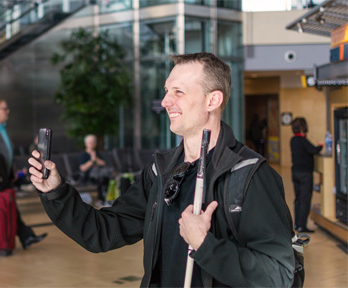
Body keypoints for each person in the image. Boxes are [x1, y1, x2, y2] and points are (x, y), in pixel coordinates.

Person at [28, 52, 294, 287]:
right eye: (167, 91)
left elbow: (278, 275)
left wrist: (205, 245)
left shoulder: (249, 175)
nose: (165, 101)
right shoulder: (161, 171)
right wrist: (56, 193)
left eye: (178, 92)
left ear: (212, 100)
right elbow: (103, 232)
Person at [0, 98, 47, 249]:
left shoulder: (1, 127)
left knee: (8, 204)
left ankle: (26, 237)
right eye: (5, 109)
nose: (8, 112)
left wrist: (12, 172)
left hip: (3, 175)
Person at [290, 117, 322, 233]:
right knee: (305, 199)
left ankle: (297, 224)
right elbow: (313, 150)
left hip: (295, 172)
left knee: (298, 199)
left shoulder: (293, 140)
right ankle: (302, 226)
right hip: (305, 174)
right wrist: (321, 145)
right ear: (303, 128)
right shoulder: (303, 140)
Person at [78, 134, 110, 206]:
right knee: (101, 178)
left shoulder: (97, 153)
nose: (92, 144)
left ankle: (106, 199)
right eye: (90, 142)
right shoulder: (83, 155)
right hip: (88, 177)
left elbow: (103, 163)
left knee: (106, 177)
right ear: (86, 144)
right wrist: (92, 161)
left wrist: (96, 158)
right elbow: (82, 168)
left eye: (93, 142)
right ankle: (101, 200)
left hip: (99, 175)